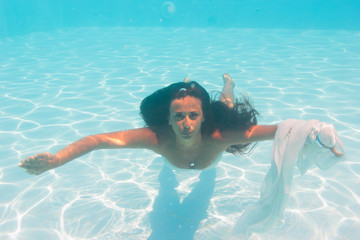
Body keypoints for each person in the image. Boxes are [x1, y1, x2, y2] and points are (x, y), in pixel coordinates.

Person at [19, 73, 336, 175]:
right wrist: (56, 160)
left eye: (193, 115)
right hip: (182, 151)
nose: (186, 123)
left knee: (225, 102)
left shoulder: (218, 132)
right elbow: (98, 140)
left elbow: (283, 129)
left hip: (218, 116)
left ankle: (227, 84)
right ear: (167, 119)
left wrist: (316, 134)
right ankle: (188, 87)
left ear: (203, 117)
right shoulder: (156, 138)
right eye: (179, 116)